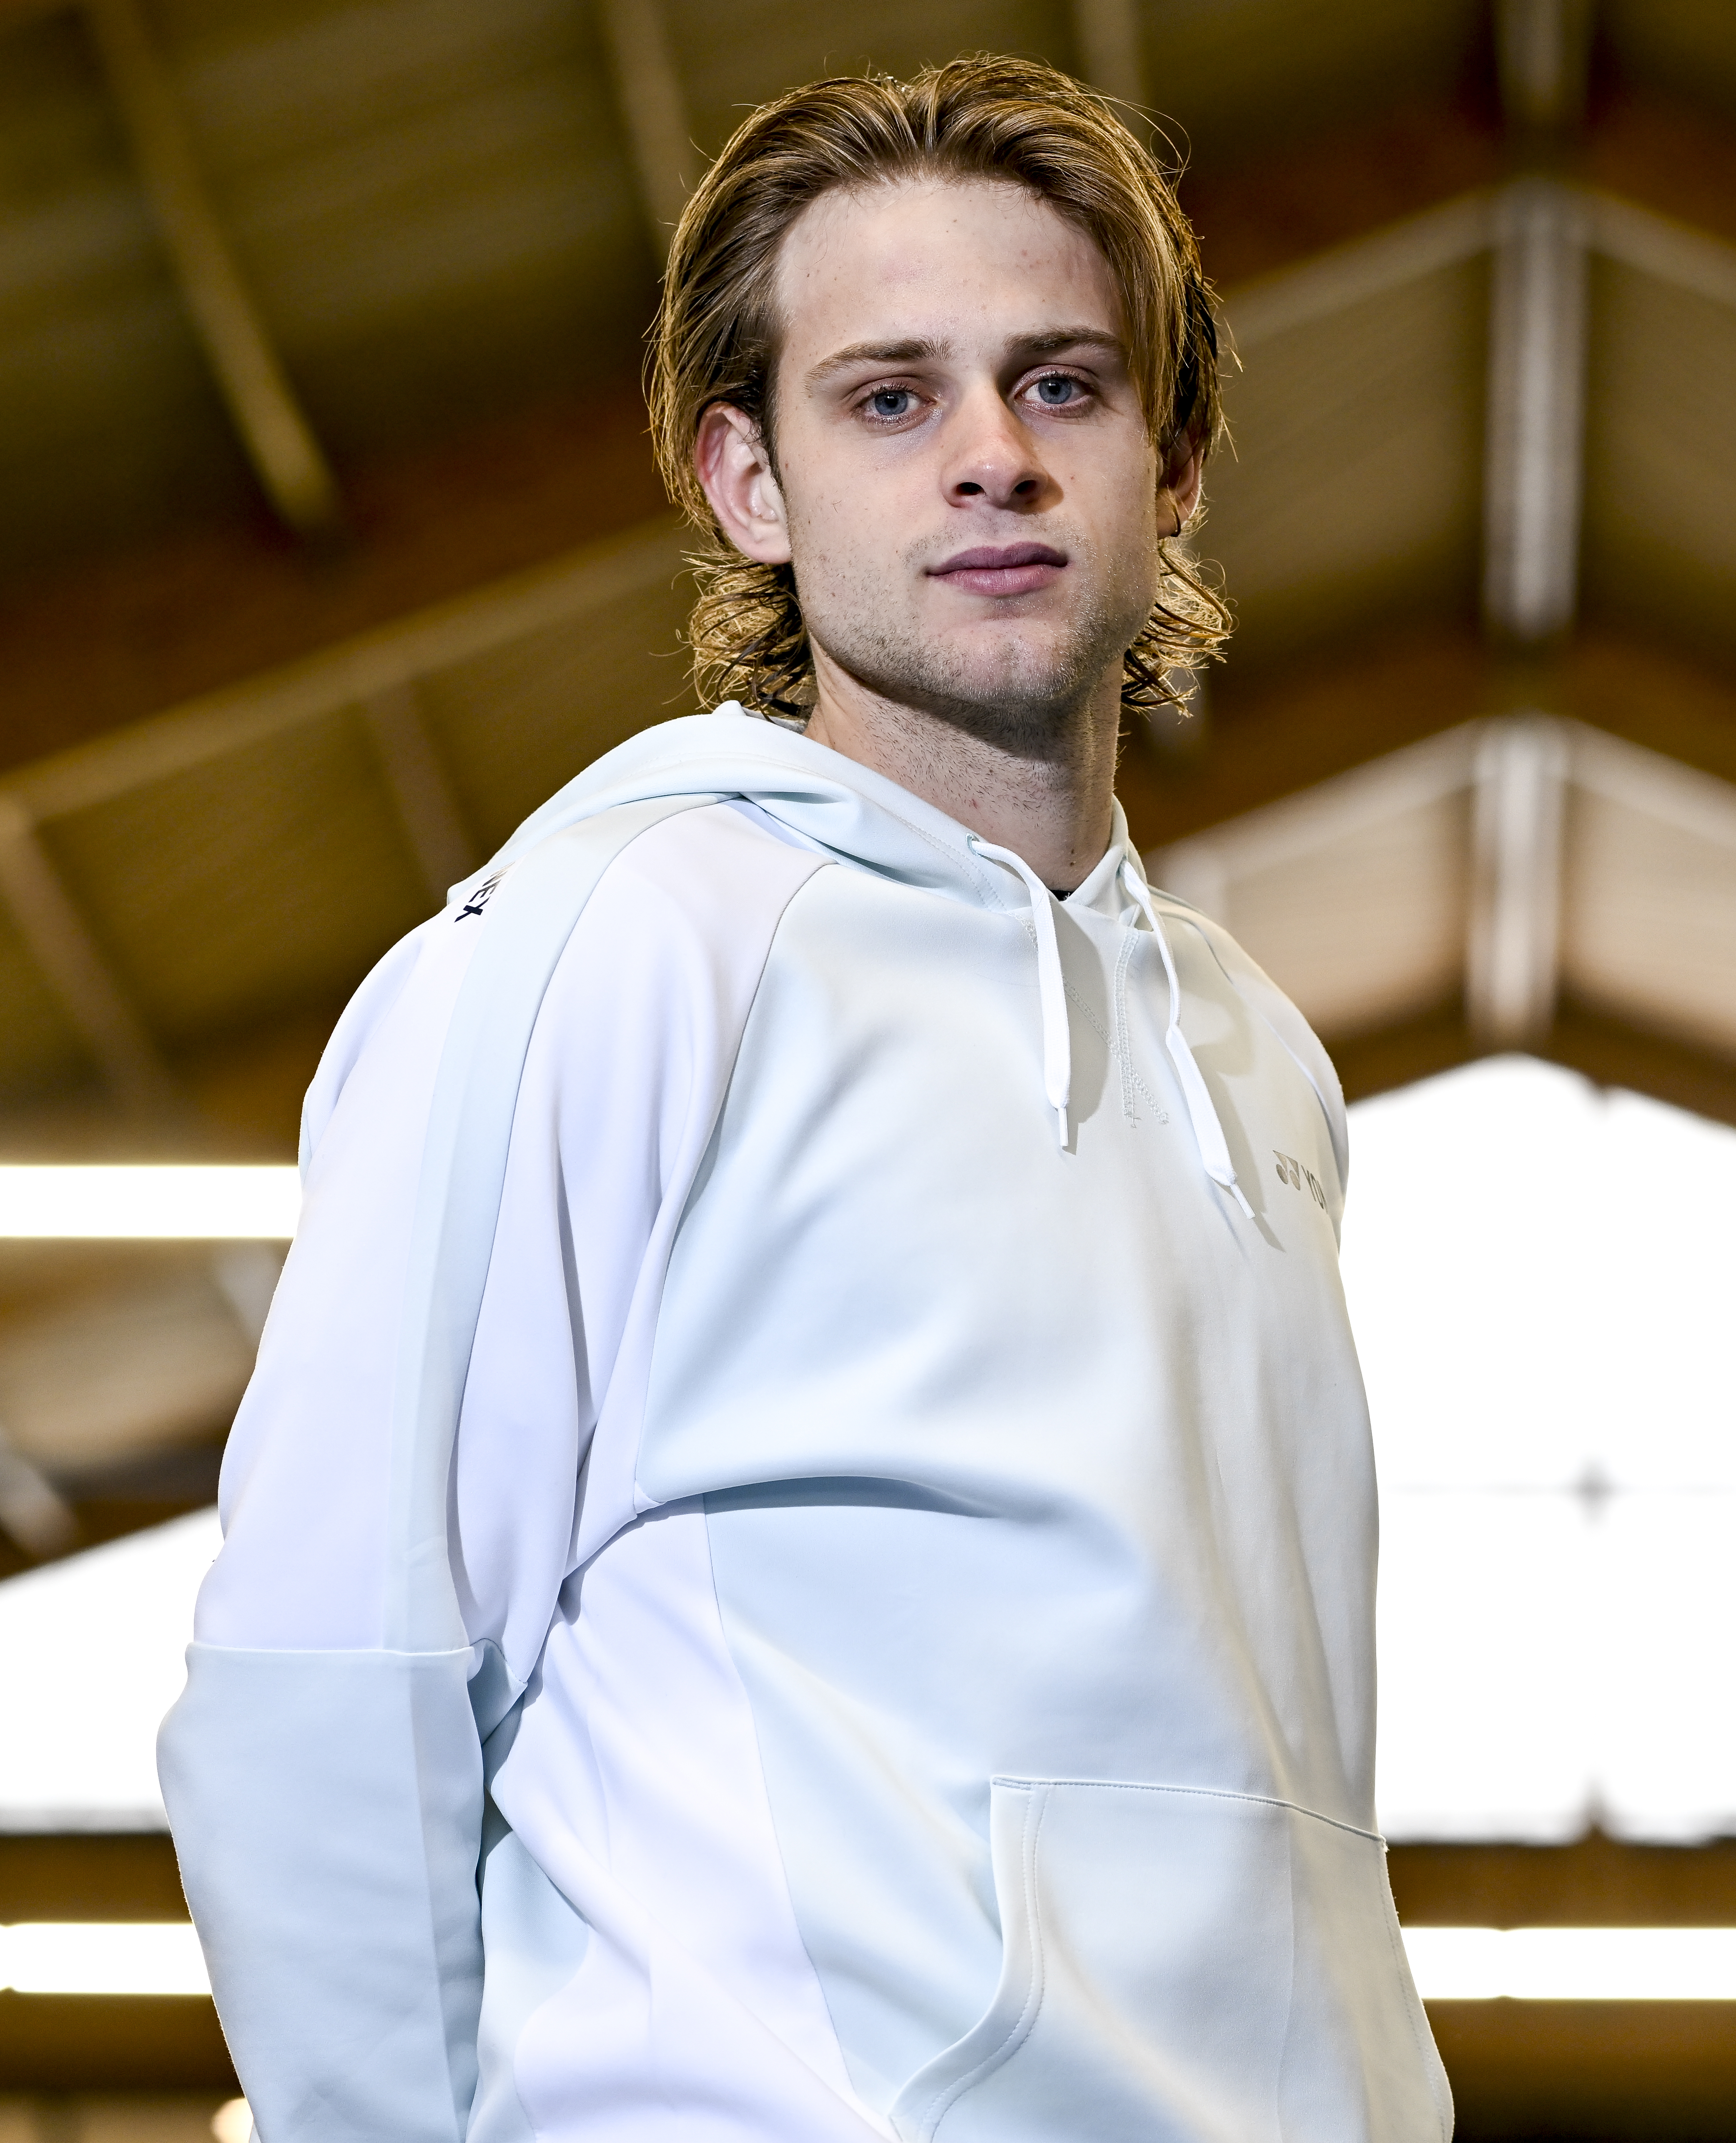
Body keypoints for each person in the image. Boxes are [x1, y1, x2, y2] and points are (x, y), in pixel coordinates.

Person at [158, 56, 1450, 2143]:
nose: (991, 461)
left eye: (1064, 386)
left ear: (1174, 462)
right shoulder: (625, 940)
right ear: (745, 483)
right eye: (889, 397)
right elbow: (338, 1668)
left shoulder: (1253, 1052)